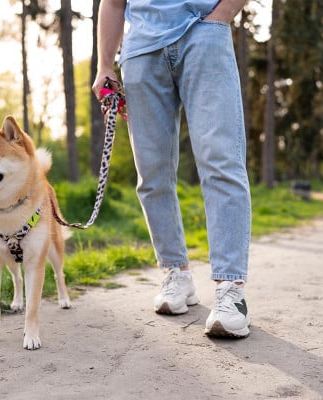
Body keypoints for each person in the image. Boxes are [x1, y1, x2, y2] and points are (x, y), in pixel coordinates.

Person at [92, 0, 252, 338]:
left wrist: (218, 18)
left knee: (221, 161)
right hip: (140, 51)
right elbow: (113, 2)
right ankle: (176, 272)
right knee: (152, 174)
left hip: (203, 34)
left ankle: (230, 288)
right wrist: (105, 63)